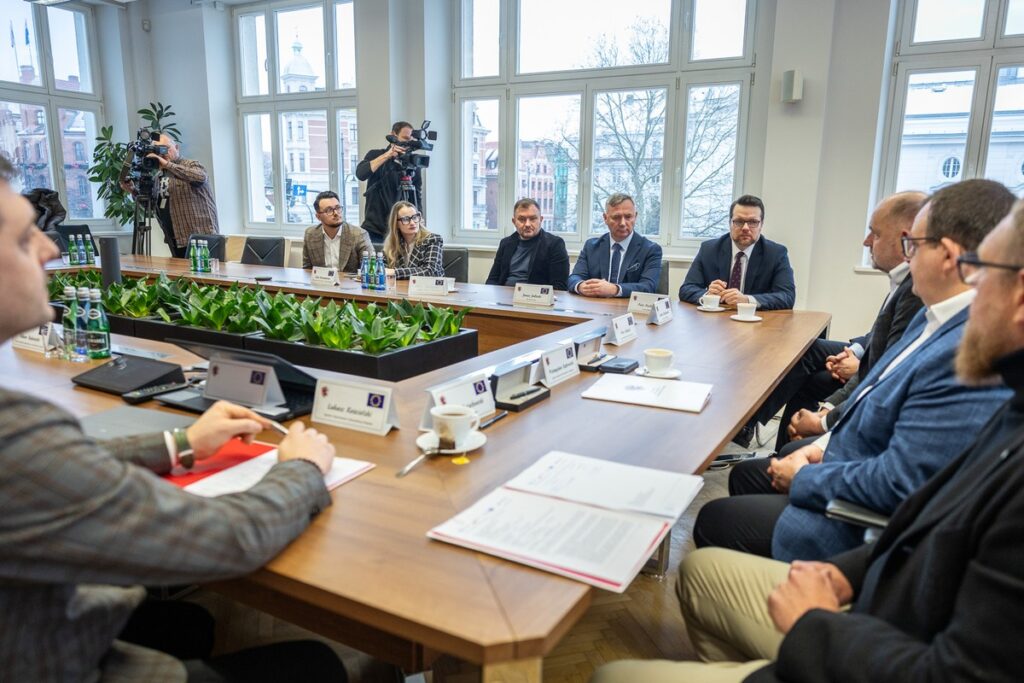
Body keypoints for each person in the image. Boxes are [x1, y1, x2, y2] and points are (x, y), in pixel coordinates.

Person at [590, 198, 1024, 683]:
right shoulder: (939, 328)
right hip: (871, 570)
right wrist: (830, 434)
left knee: (615, 671)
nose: (973, 286)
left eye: (984, 270)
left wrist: (812, 472)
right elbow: (926, 511)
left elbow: (909, 495)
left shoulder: (969, 365)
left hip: (860, 612)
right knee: (701, 567)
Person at [0, 154, 348, 681]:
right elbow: (230, 539)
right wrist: (299, 467)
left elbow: (60, 467)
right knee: (314, 664)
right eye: (27, 238)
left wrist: (181, 443)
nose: (51, 249)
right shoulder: (15, 435)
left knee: (186, 623)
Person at [694, 179, 1014, 562]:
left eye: (913, 245)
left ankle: (788, 593)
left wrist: (814, 463)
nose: (867, 243)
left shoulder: (962, 352)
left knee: (713, 518)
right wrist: (827, 439)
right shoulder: (930, 318)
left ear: (947, 255)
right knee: (751, 468)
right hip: (849, 458)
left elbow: (902, 481)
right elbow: (877, 387)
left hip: (855, 526)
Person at [729, 192, 926, 451]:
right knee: (807, 351)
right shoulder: (711, 248)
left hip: (873, 374)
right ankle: (772, 440)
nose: (866, 242)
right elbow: (880, 333)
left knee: (808, 371)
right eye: (739, 221)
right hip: (865, 353)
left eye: (875, 234)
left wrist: (856, 366)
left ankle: (767, 435)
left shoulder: (916, 286)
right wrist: (855, 350)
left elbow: (889, 360)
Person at [679, 195, 795, 310]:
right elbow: (686, 289)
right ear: (730, 223)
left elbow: (787, 297)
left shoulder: (776, 253)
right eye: (739, 221)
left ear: (761, 225)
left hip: (757, 321)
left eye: (753, 222)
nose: (745, 228)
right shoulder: (709, 249)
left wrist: (747, 300)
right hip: (716, 321)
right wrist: (708, 296)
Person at [119, 132, 219, 258]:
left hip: (202, 238)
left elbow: (200, 177)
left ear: (176, 147)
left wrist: (167, 164)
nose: (163, 153)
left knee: (204, 277)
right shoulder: (158, 177)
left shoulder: (191, 164)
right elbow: (152, 206)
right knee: (182, 277)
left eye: (166, 148)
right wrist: (133, 190)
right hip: (176, 239)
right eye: (159, 151)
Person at [568, 193, 662, 298]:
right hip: (595, 308)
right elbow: (574, 277)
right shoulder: (591, 246)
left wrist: (614, 289)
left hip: (629, 310)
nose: (622, 223)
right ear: (605, 218)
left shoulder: (650, 249)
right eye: (616, 217)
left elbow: (648, 287)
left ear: (635, 216)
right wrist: (581, 286)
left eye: (628, 216)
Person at [355, 121, 422, 244]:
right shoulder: (376, 155)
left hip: (402, 231)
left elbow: (417, 196)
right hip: (375, 230)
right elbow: (361, 174)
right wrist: (388, 155)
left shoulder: (412, 165)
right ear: (393, 135)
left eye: (411, 140)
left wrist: (419, 224)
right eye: (405, 138)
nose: (408, 144)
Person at [485, 198, 570, 290]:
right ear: (514, 222)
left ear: (540, 220)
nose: (527, 224)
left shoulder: (555, 244)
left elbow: (560, 286)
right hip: (505, 296)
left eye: (533, 219)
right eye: (522, 219)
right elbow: (492, 280)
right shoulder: (505, 243)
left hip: (535, 299)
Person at [302, 190, 373, 272]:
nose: (336, 213)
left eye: (338, 208)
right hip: (321, 283)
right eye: (329, 210)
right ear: (318, 216)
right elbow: (307, 269)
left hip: (349, 283)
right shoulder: (310, 234)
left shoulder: (358, 234)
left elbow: (370, 269)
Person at [382, 200, 444, 279]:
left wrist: (394, 272)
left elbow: (430, 271)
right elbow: (381, 270)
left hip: (429, 290)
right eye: (405, 219)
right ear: (396, 224)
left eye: (415, 217)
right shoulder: (392, 245)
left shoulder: (433, 240)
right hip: (401, 290)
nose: (412, 222)